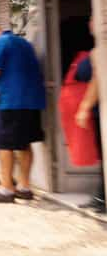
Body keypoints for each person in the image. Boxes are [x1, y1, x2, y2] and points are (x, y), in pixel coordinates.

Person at [0, 24, 46, 203]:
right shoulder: (23, 42)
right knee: (24, 144)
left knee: (4, 145)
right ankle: (24, 187)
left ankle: (6, 189)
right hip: (33, 99)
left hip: (13, 100)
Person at [74, 18, 104, 213]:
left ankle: (101, 199)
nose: (91, 21)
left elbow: (96, 78)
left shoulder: (99, 51)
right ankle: (100, 197)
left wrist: (84, 107)